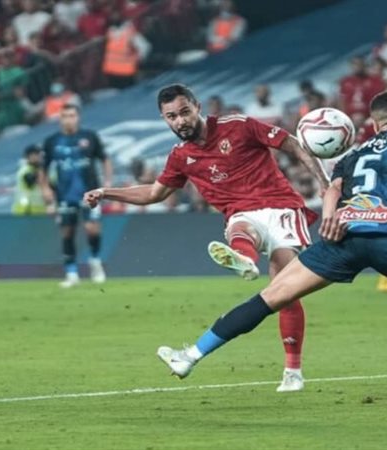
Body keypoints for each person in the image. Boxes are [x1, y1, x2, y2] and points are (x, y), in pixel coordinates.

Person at [117, 91, 387, 411]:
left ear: (373, 124)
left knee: (271, 297)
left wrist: (329, 215)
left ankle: (191, 355)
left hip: (344, 240)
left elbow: (333, 191)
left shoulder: (354, 153)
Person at [82, 84, 330, 393]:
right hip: (242, 214)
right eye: (171, 116)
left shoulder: (238, 125)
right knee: (241, 226)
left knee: (285, 290)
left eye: (184, 112)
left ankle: (292, 371)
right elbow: (154, 193)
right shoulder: (181, 156)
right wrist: (106, 192)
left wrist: (324, 182)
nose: (180, 121)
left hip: (281, 207)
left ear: (197, 107)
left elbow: (291, 143)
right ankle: (244, 259)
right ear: (164, 119)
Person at [40, 104, 112, 288]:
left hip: (90, 194)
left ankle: (95, 262)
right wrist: (45, 189)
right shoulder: (52, 141)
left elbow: (105, 159)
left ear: (78, 117)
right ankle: (71, 273)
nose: (68, 119)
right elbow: (43, 168)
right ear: (60, 119)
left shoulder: (90, 137)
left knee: (92, 229)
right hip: (65, 195)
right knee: (67, 232)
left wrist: (107, 182)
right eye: (65, 116)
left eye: (72, 115)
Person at [11, 144, 47, 215]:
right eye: (37, 154)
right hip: (26, 210)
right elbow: (30, 181)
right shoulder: (26, 170)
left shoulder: (37, 169)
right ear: (29, 156)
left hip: (38, 210)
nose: (40, 157)